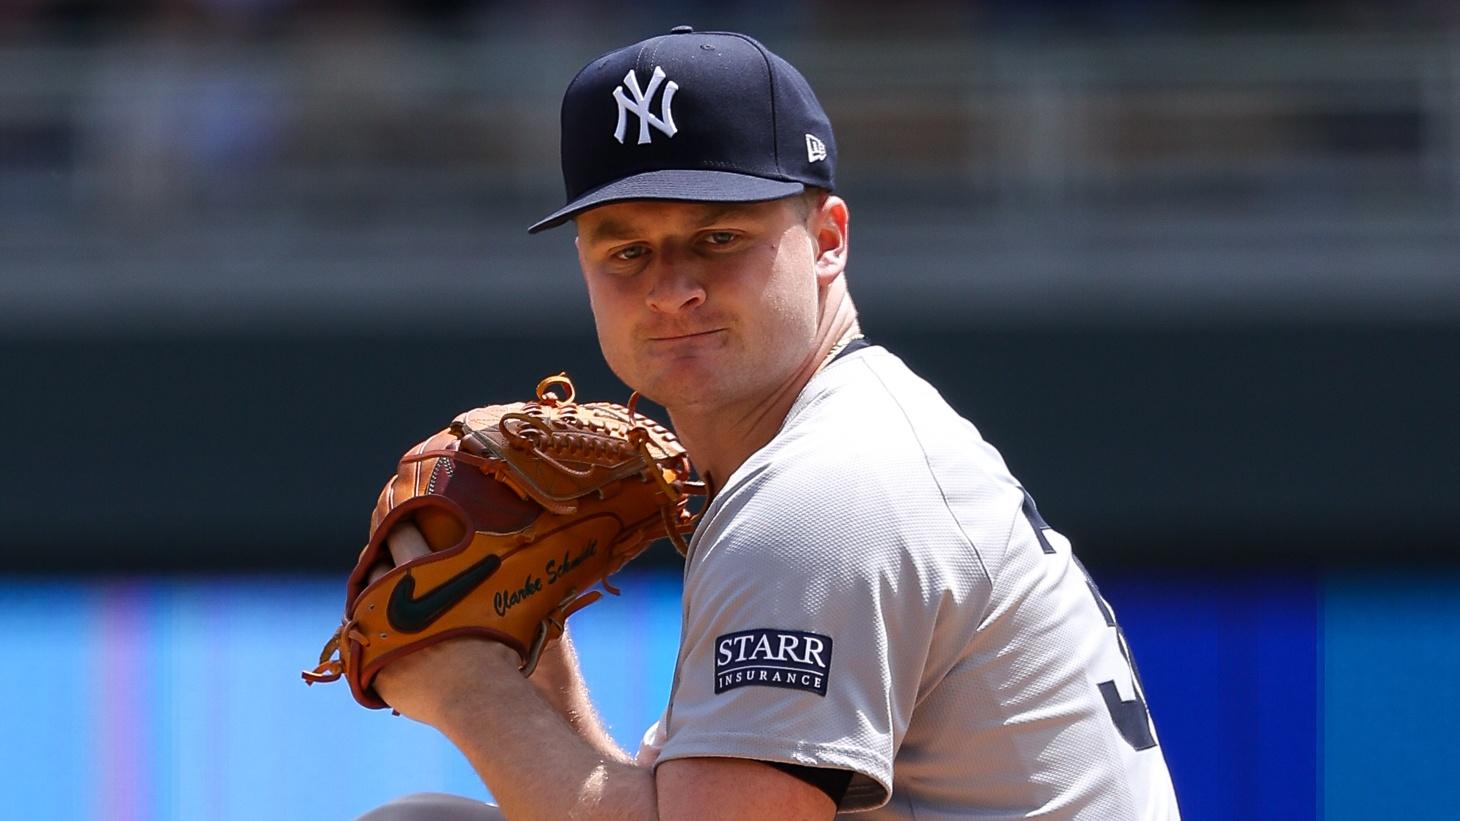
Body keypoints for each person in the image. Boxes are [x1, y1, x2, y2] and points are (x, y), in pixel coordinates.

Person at [358, 27, 1181, 821]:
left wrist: (468, 689)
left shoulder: (821, 494)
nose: (671, 288)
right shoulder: (832, 439)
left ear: (827, 239)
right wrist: (537, 661)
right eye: (627, 251)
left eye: (718, 238)